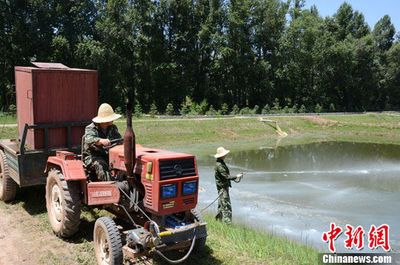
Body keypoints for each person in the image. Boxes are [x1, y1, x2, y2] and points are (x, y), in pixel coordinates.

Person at [83, 103, 122, 181]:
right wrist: (100, 141)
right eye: (111, 118)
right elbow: (88, 139)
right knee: (101, 165)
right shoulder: (91, 128)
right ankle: (108, 187)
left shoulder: (113, 128)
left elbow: (119, 139)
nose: (113, 120)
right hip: (93, 156)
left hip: (109, 155)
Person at [214, 147, 243, 224]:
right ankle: (228, 224)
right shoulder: (219, 165)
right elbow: (226, 176)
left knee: (221, 205)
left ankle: (218, 221)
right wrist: (236, 176)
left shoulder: (220, 162)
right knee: (227, 206)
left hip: (223, 188)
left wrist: (235, 177)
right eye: (224, 154)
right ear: (221, 155)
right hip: (223, 189)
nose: (225, 155)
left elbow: (226, 177)